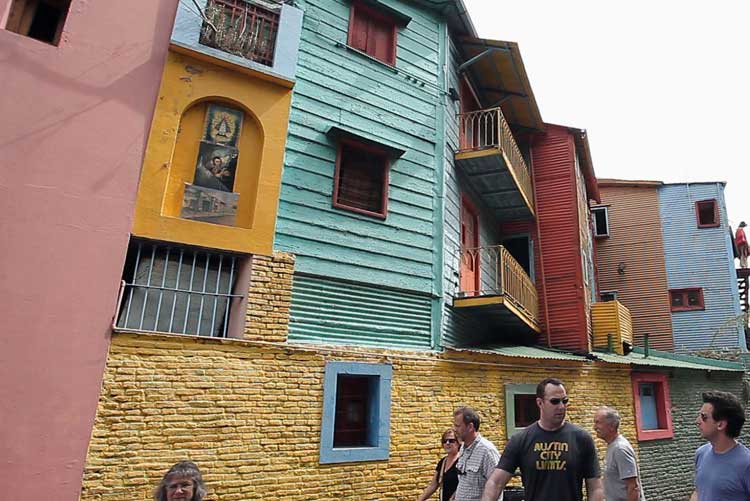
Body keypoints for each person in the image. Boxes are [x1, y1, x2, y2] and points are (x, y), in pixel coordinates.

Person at [481, 377, 603, 501]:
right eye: (555, 401)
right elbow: (495, 483)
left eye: (564, 401)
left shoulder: (581, 439)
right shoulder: (521, 439)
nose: (561, 406)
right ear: (540, 403)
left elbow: (595, 487)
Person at [690, 390, 750, 501]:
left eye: (704, 417)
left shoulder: (746, 464)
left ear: (721, 424)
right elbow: (698, 492)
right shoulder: (701, 453)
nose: (697, 421)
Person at [593, 407, 645, 501]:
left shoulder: (620, 449)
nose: (594, 427)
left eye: (598, 422)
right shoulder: (612, 446)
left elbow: (633, 487)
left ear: (612, 426)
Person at [452, 406, 502, 501]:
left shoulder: (487, 451)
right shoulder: (463, 448)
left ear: (470, 427)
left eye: (457, 426)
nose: (454, 429)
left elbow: (497, 486)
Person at [417, 428, 461, 501]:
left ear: (458, 443)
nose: (447, 443)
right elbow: (433, 485)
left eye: (451, 441)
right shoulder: (443, 462)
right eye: (445, 441)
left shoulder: (462, 461)